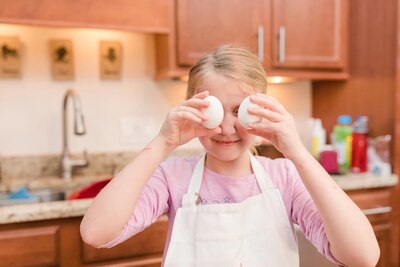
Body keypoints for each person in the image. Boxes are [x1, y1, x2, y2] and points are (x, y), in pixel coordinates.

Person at [80, 45, 379, 267]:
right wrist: (162, 142)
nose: (226, 127)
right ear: (193, 110)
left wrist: (297, 151)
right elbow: (95, 233)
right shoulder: (174, 176)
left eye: (239, 111)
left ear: (262, 109)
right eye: (215, 111)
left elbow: (363, 256)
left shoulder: (283, 177)